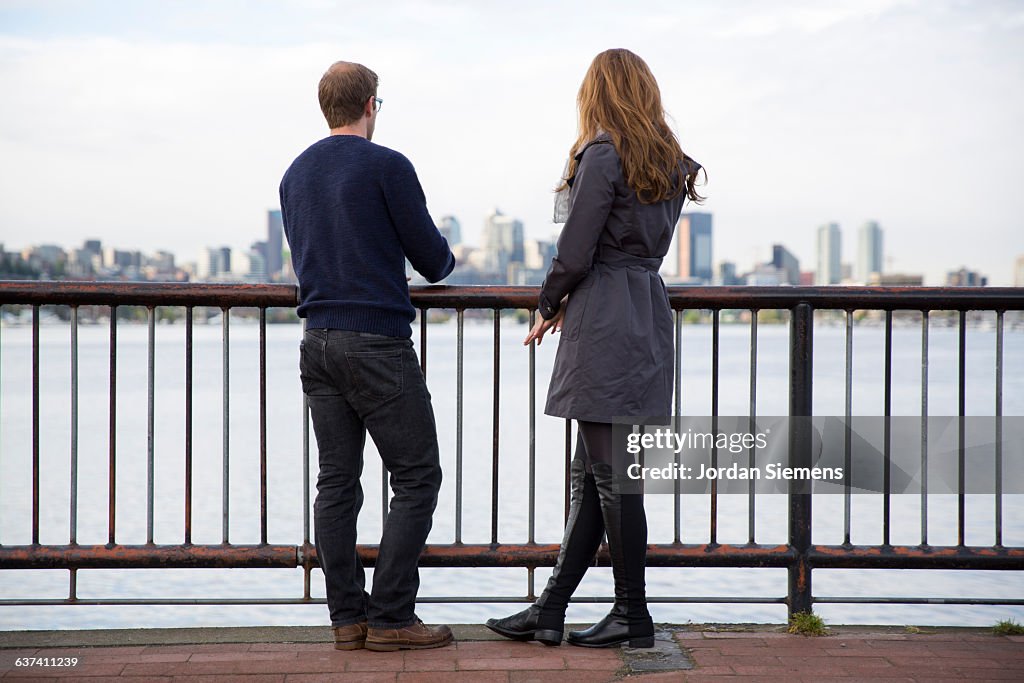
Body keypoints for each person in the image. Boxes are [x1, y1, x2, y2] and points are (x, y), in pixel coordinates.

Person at [486, 49, 704, 649]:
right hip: (643, 310)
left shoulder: (603, 155)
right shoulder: (669, 163)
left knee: (613, 480)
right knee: (596, 474)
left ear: (597, 95)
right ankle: (551, 610)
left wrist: (548, 302)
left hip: (604, 314)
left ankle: (633, 616)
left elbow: (575, 249)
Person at [280, 61, 456, 652]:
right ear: (371, 105)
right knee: (416, 476)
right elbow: (433, 261)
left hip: (317, 342)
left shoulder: (294, 174)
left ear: (325, 106)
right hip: (377, 342)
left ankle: (346, 618)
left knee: (337, 483)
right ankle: (392, 617)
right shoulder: (388, 167)